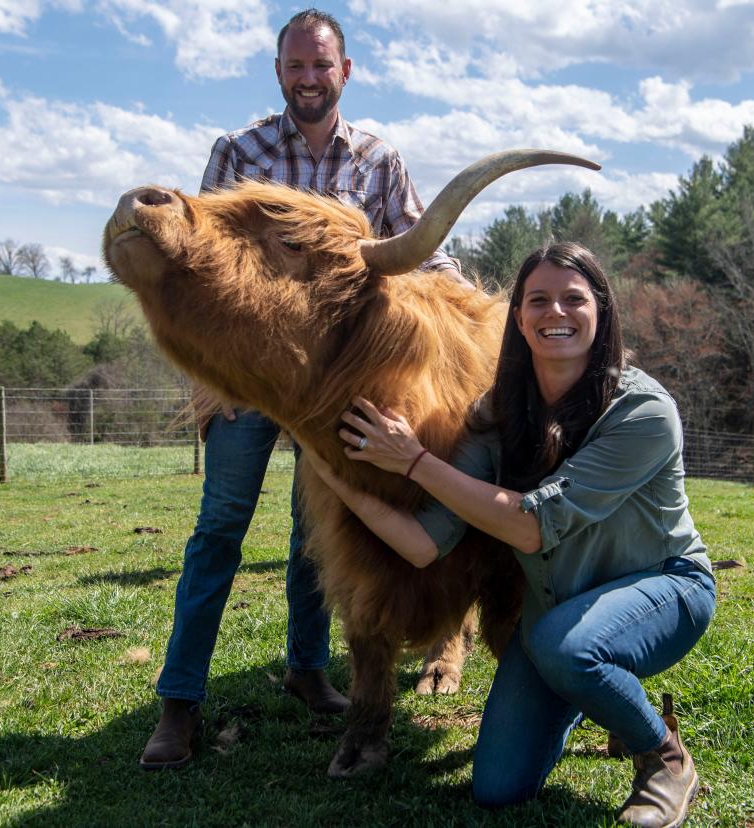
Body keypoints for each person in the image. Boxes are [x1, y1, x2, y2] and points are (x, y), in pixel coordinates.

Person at [140, 8, 465, 770]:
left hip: (330, 391)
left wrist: (479, 319)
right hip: (249, 389)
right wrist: (207, 377)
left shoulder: (378, 161)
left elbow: (418, 258)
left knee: (314, 540)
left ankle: (307, 669)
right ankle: (179, 705)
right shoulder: (240, 152)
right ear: (279, 71)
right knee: (219, 529)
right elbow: (196, 272)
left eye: (322, 65)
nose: (309, 78)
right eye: (296, 66)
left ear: (344, 72)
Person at [304, 243, 715, 826]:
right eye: (538, 300)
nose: (556, 313)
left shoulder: (643, 412)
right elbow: (423, 543)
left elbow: (529, 527)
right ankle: (585, 695)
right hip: (560, 608)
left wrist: (415, 461)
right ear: (518, 319)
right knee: (497, 787)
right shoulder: (498, 413)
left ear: (602, 312)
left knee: (566, 648)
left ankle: (665, 760)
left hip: (660, 591)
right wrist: (328, 466)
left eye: (574, 299)